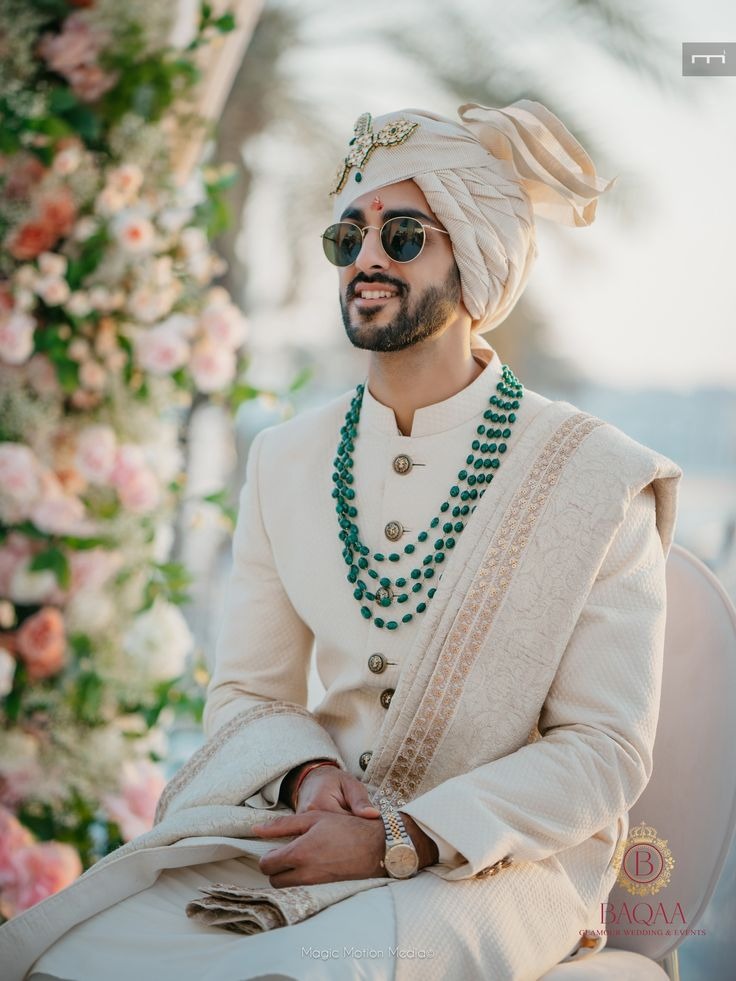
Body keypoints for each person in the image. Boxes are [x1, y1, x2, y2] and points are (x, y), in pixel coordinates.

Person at [0, 100, 682, 981]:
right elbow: (250, 690)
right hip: (307, 831)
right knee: (70, 955)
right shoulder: (286, 460)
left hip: (498, 864)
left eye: (403, 235)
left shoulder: (597, 478)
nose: (367, 257)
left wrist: (402, 836)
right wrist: (309, 779)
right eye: (348, 236)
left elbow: (604, 748)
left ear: (476, 256)